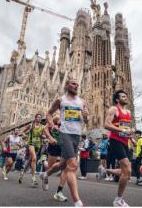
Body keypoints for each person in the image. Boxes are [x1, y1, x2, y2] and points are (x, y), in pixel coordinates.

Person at [46, 78, 89, 207]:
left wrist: (86, 116)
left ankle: (45, 174)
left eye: (77, 84)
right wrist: (51, 124)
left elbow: (86, 121)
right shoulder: (61, 100)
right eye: (73, 83)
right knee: (73, 166)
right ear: (67, 85)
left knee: (63, 164)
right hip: (64, 134)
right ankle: (77, 201)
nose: (76, 86)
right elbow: (48, 113)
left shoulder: (82, 102)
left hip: (77, 135)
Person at [96, 90, 134, 207]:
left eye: (126, 96)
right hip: (115, 141)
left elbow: (126, 128)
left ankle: (105, 171)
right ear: (117, 99)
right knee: (127, 169)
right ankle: (118, 199)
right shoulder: (114, 109)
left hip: (125, 141)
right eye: (123, 96)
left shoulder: (128, 112)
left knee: (126, 172)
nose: (126, 97)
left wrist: (130, 135)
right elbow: (106, 124)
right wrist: (121, 130)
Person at [39, 115, 69, 202]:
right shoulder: (57, 118)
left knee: (65, 168)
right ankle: (43, 163)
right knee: (50, 167)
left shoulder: (73, 120)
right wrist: (50, 138)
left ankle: (59, 192)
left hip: (64, 145)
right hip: (54, 145)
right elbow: (45, 128)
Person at [21, 113, 44, 187]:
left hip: (38, 145)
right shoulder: (31, 125)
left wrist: (43, 137)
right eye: (38, 117)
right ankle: (33, 179)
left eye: (40, 117)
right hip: (31, 143)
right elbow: (23, 132)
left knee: (30, 160)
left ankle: (22, 173)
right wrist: (25, 136)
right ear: (35, 118)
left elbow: (44, 135)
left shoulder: (42, 127)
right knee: (34, 159)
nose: (39, 118)